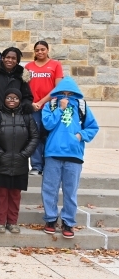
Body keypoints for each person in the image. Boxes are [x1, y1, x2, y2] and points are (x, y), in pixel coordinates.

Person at [41, 77, 99, 238]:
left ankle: (68, 222)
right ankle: (51, 219)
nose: (66, 95)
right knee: (49, 189)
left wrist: (81, 135)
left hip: (74, 154)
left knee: (70, 191)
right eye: (62, 92)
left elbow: (93, 127)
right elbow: (47, 124)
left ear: (75, 93)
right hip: (53, 152)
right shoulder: (50, 105)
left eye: (70, 93)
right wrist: (60, 108)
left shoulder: (82, 106)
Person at [0, 47, 33, 194]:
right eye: (7, 57)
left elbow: (28, 97)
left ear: (18, 60)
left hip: (13, 119)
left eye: (13, 58)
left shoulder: (22, 75)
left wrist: (21, 106)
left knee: (8, 149)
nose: (10, 60)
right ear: (2, 58)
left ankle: (6, 183)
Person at [0, 88, 39, 234]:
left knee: (15, 195)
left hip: (20, 162)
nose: (12, 100)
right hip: (0, 161)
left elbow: (34, 137)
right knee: (0, 194)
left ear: (20, 100)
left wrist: (24, 154)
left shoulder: (27, 117)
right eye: (9, 97)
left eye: (15, 98)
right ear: (4, 99)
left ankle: (12, 222)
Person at [25, 41, 64, 175]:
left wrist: (41, 102)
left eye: (43, 49)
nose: (40, 52)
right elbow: (25, 88)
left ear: (47, 50)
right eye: (37, 50)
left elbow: (58, 88)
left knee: (48, 135)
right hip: (33, 107)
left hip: (50, 106)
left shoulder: (56, 65)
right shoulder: (28, 66)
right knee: (34, 135)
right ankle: (36, 166)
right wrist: (31, 103)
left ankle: (48, 165)